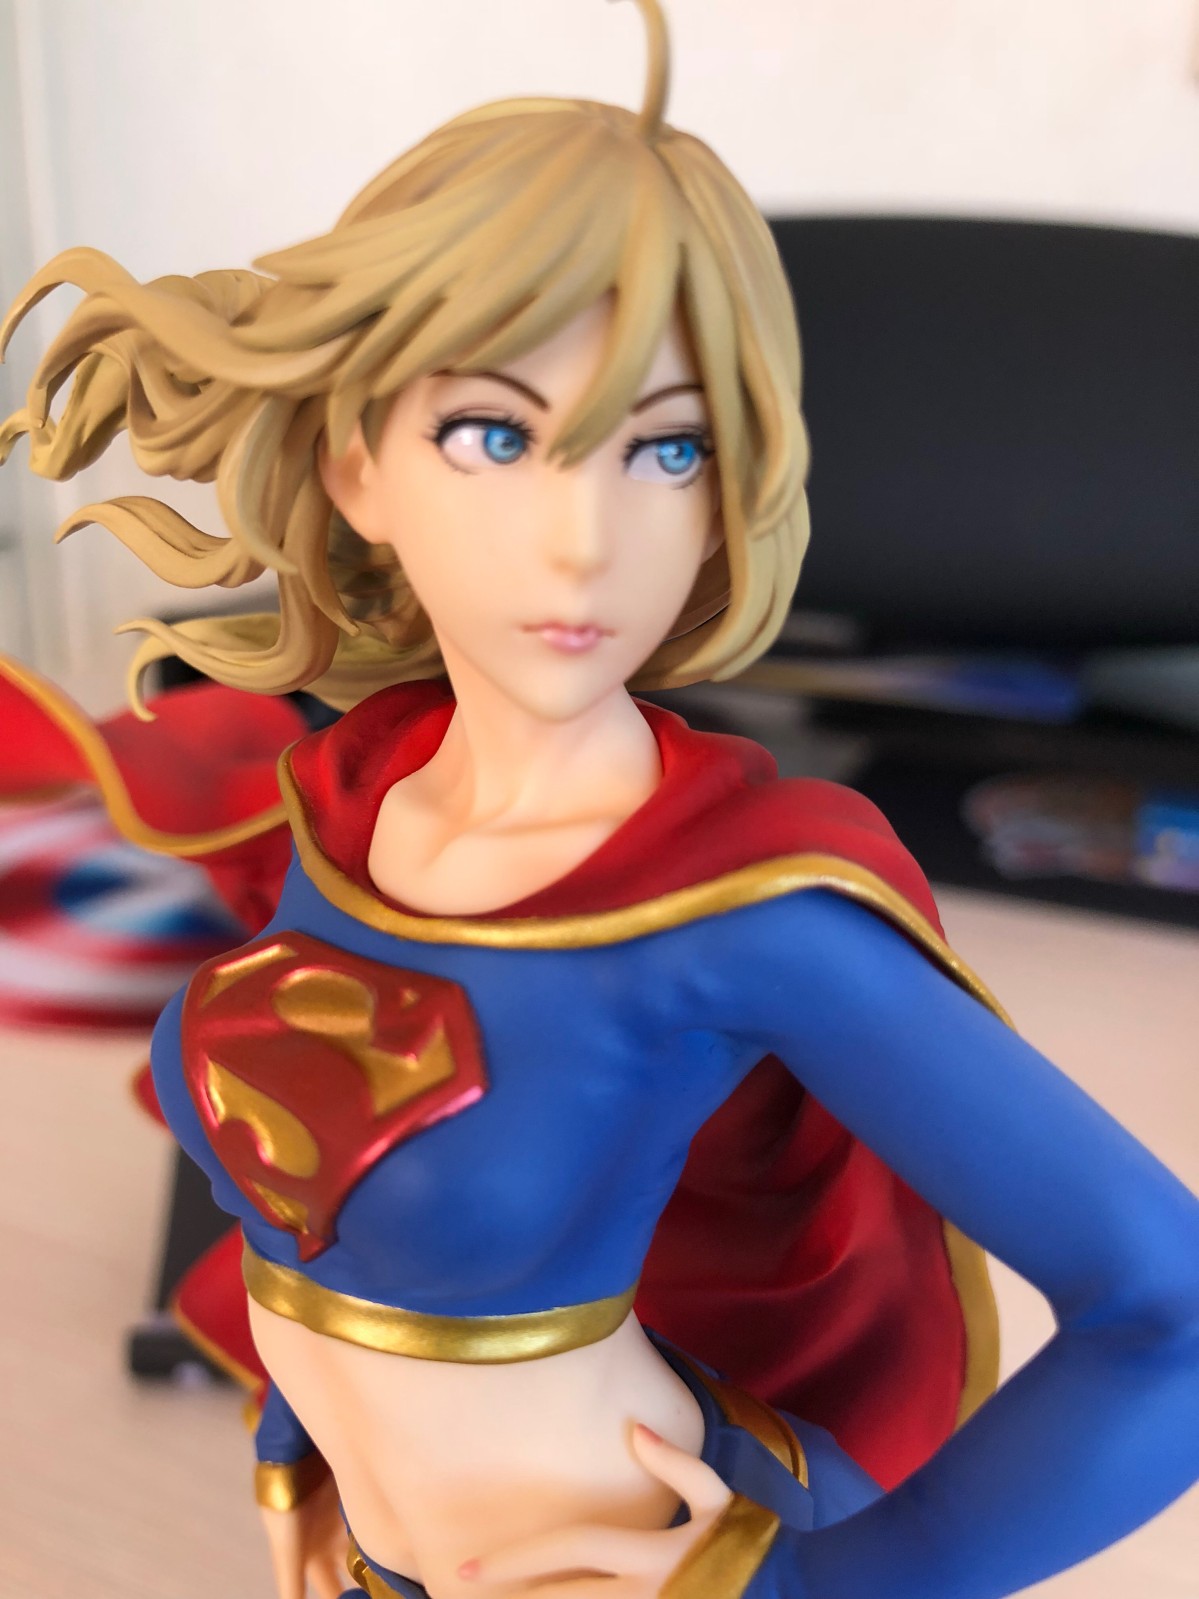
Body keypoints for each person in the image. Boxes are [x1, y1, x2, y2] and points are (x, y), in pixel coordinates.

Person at [1, 4, 1196, 1597]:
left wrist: (823, 1588)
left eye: (667, 451)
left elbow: (1169, 1315)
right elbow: (332, 1186)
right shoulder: (353, 793)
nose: (583, 544)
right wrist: (304, 1422)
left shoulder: (743, 915)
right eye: (493, 434)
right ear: (356, 465)